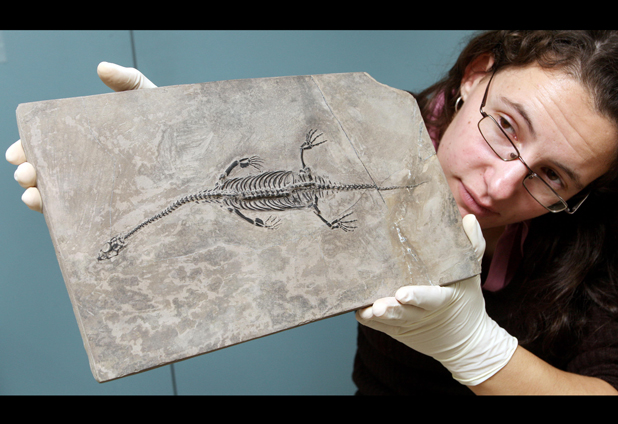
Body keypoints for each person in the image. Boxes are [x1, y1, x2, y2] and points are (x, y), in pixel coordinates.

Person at [6, 31, 618, 395]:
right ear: (477, 74)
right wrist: (181, 151)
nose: (501, 183)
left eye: (553, 176)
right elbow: (258, 262)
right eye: (505, 125)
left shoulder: (595, 234)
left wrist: (475, 347)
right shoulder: (355, 125)